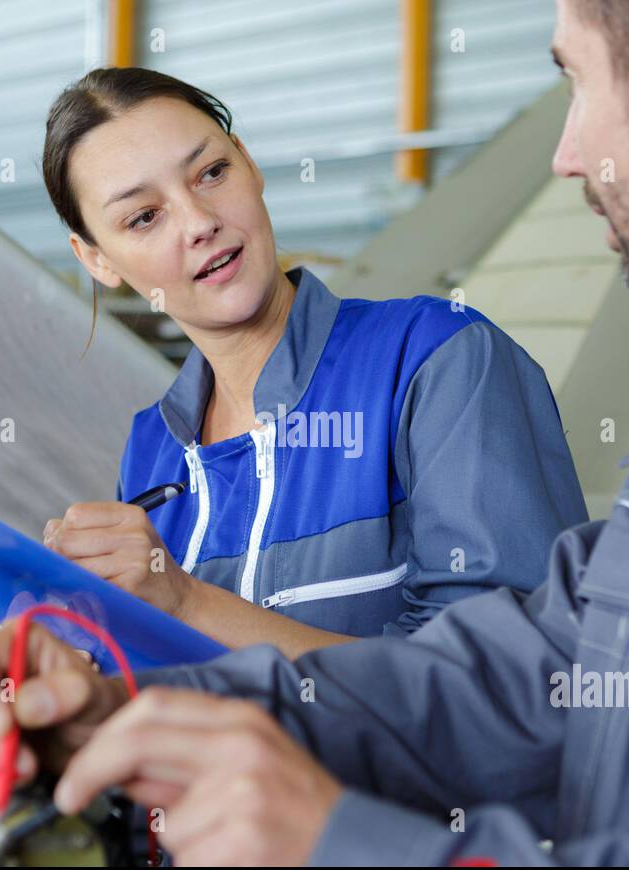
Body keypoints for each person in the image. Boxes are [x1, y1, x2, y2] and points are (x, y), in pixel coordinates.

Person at [0, 0, 629, 865]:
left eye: (577, 83)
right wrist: (125, 707)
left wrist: (349, 844)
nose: (566, 154)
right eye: (139, 215)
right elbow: (504, 678)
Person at [38, 67, 587, 659]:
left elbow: (504, 675)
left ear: (249, 163)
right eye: (144, 217)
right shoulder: (152, 445)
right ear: (96, 260)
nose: (200, 223)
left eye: (212, 173)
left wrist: (188, 602)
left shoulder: (437, 359)